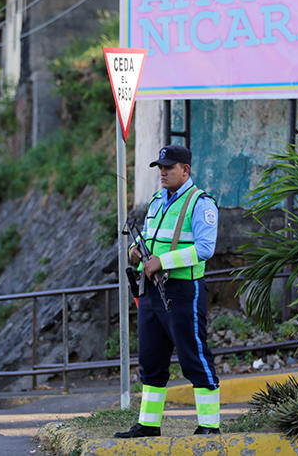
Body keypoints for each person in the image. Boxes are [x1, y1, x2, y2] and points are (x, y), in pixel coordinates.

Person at [114, 144, 220, 438]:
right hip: (151, 291)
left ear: (185, 170)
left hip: (184, 290)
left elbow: (205, 249)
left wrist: (164, 261)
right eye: (160, 167)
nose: (162, 172)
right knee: (151, 358)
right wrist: (137, 251)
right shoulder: (158, 200)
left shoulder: (201, 203)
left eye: (169, 167)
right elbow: (151, 236)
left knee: (194, 356)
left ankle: (210, 426)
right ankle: (148, 424)